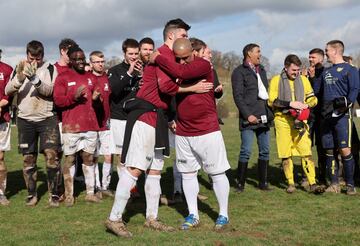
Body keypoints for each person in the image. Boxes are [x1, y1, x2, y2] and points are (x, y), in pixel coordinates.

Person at [105, 18, 213, 238]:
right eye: (183, 36)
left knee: (154, 171)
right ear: (171, 36)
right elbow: (166, 86)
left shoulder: (171, 58)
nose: (187, 41)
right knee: (135, 168)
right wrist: (193, 88)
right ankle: (114, 218)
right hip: (145, 115)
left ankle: (151, 218)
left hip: (159, 117)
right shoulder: (162, 56)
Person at [151, 37, 231, 231]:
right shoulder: (175, 66)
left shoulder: (203, 65)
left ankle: (223, 214)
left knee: (217, 172)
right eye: (178, 58)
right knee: (187, 174)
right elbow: (167, 88)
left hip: (207, 129)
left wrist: (159, 58)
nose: (182, 62)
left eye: (185, 57)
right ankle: (193, 214)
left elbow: (180, 72)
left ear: (193, 53)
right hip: (183, 130)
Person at [5, 40, 61, 207]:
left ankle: (54, 194)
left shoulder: (51, 68)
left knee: (52, 157)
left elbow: (50, 91)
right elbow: (8, 90)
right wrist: (21, 77)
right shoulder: (19, 67)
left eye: (38, 58)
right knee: (28, 159)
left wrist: (35, 78)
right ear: (26, 55)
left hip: (47, 118)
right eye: (31, 58)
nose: (34, 62)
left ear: (43, 55)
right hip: (25, 119)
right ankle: (31, 194)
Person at [53, 45, 101, 206]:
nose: (81, 62)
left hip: (90, 125)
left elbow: (97, 100)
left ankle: (90, 193)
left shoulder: (91, 77)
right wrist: (74, 97)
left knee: (88, 159)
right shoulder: (63, 77)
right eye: (77, 59)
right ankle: (69, 195)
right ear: (71, 60)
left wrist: (96, 99)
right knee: (70, 160)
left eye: (82, 58)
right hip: (71, 126)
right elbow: (58, 101)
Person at [268, 54, 319, 194]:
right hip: (282, 120)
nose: (296, 73)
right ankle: (290, 183)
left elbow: (312, 98)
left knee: (306, 151)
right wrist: (290, 104)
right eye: (293, 70)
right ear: (285, 67)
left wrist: (306, 105)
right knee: (285, 153)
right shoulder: (276, 80)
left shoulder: (303, 80)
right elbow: (272, 101)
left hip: (300, 121)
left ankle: (312, 183)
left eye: (298, 70)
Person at [231, 43, 273, 192]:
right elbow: (238, 96)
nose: (260, 54)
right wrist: (248, 115)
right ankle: (240, 183)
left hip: (263, 116)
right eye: (258, 52)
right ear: (249, 53)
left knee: (265, 150)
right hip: (248, 117)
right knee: (246, 151)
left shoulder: (261, 70)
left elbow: (265, 93)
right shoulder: (238, 72)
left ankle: (263, 183)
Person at [320, 40, 360, 194]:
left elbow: (354, 90)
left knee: (345, 150)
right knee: (329, 150)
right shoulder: (326, 71)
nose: (325, 53)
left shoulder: (350, 70)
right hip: (327, 117)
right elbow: (320, 93)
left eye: (327, 50)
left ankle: (350, 185)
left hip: (343, 117)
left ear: (336, 51)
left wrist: (345, 105)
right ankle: (334, 184)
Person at [107, 39, 142, 190]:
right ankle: (127, 189)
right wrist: (129, 73)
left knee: (136, 154)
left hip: (137, 118)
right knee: (122, 155)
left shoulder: (143, 69)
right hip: (119, 118)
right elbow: (114, 90)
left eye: (136, 53)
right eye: (130, 54)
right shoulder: (115, 70)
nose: (134, 57)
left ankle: (133, 185)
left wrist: (142, 77)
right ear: (124, 53)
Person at [89, 51, 114, 198]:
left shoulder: (107, 78)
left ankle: (106, 185)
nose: (100, 64)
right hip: (91, 123)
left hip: (106, 123)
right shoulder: (87, 78)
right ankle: (96, 186)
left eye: (102, 61)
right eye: (97, 62)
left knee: (108, 156)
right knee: (93, 157)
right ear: (91, 63)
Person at [306, 48, 327, 186]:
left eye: (313, 57)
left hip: (321, 116)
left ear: (321, 58)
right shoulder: (307, 73)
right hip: (308, 115)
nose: (310, 59)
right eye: (309, 57)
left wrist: (312, 78)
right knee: (306, 147)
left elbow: (318, 93)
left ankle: (322, 176)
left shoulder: (325, 73)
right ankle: (307, 176)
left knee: (321, 148)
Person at [0, 49, 13, 206]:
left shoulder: (7, 70)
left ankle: (1, 192)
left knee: (0, 157)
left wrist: (2, 103)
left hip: (2, 120)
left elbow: (9, 94)